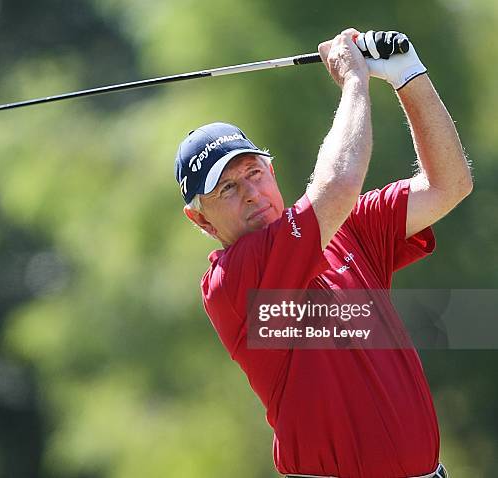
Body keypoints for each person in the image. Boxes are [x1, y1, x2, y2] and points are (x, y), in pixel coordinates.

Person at [173, 29, 472, 478]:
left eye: (254, 173)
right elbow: (339, 186)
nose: (252, 194)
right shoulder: (233, 281)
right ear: (201, 221)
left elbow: (450, 184)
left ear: (272, 172)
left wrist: (408, 74)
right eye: (228, 189)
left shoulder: (346, 229)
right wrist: (355, 80)